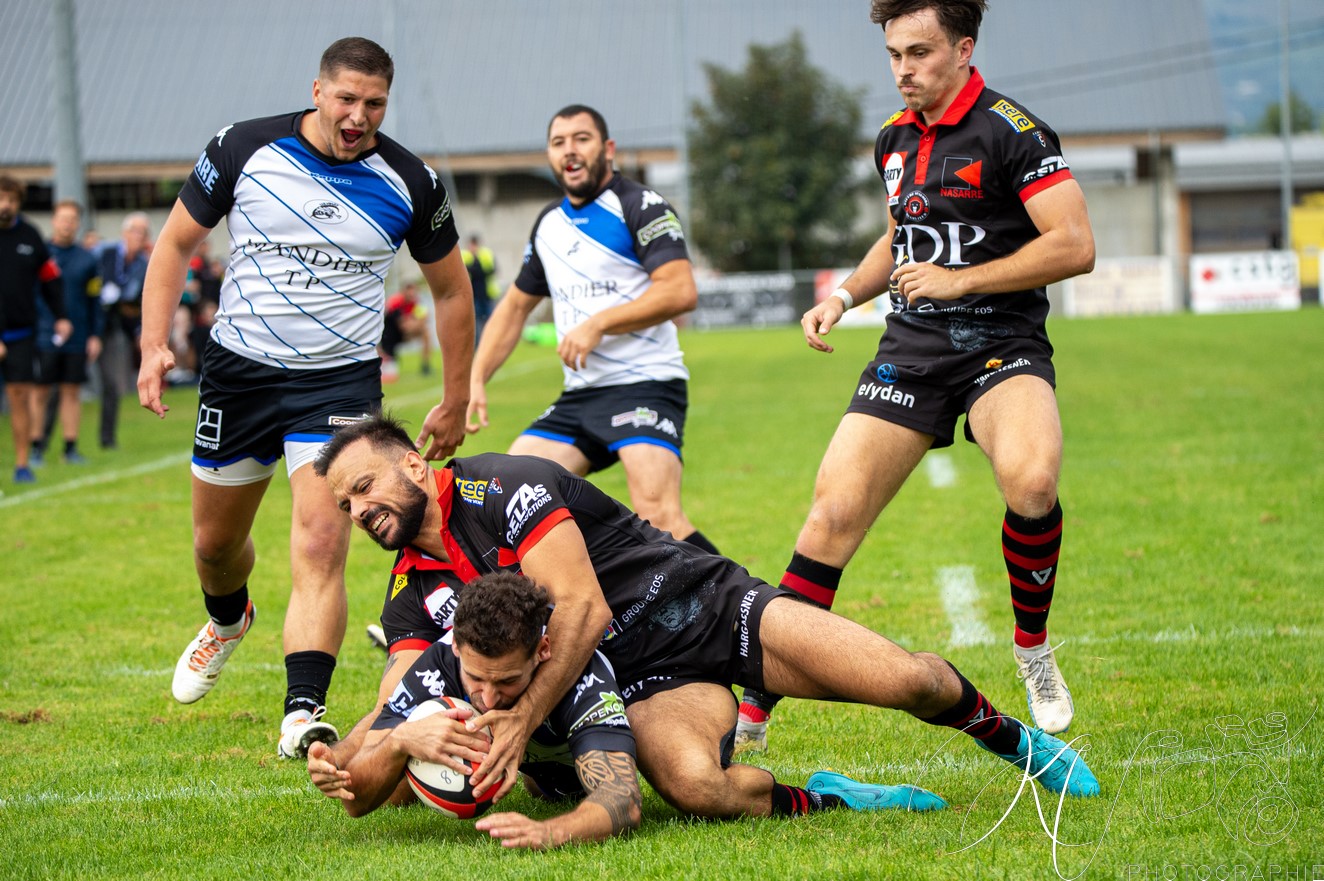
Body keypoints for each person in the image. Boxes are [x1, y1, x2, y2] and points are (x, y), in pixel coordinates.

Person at [313, 413, 1100, 821]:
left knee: (911, 680)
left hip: (711, 609)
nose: (357, 509)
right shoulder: (412, 588)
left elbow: (581, 608)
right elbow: (395, 699)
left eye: (365, 486)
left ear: (415, 465)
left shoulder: (503, 485)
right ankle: (834, 796)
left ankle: (1017, 743)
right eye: (345, 503)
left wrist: (519, 727)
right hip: (647, 679)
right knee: (695, 787)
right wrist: (343, 757)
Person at [735, 0, 1097, 752]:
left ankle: (1032, 648)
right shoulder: (894, 140)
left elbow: (1074, 243)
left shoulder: (1014, 133)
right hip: (915, 349)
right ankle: (753, 713)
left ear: (964, 49)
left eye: (921, 52)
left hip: (1004, 344)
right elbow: (900, 233)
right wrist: (840, 296)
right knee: (829, 517)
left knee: (1032, 481)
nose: (904, 70)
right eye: (895, 54)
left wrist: (964, 282)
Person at [136, 36, 475, 759]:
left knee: (323, 540)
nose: (358, 116)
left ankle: (302, 711)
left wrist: (453, 395)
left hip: (338, 382)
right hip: (239, 373)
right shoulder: (243, 148)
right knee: (215, 545)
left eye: (374, 104)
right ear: (318, 91)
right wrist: (152, 343)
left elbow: (451, 290)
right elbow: (172, 246)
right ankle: (228, 619)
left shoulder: (410, 180)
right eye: (346, 99)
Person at [308, 570, 943, 848]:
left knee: (695, 787)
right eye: (477, 678)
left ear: (544, 653)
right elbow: (358, 798)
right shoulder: (445, 664)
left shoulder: (579, 675)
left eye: (507, 683)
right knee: (395, 782)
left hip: (664, 682)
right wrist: (398, 743)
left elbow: (621, 804)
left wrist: (547, 832)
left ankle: (830, 796)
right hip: (543, 762)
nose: (487, 698)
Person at [466, 105, 718, 555]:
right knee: (507, 499)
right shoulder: (548, 224)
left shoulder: (640, 205)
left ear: (607, 149)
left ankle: (752, 614)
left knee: (657, 514)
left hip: (645, 384)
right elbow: (513, 307)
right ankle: (465, 625)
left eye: (581, 139)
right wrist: (477, 378)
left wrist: (598, 324)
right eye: (559, 142)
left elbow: (680, 290)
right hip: (580, 396)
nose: (570, 151)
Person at [0, 176, 72, 484]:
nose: (6, 206)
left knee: (20, 396)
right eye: (1, 199)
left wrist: (61, 316)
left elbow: (50, 279)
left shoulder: (30, 235)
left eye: (12, 200)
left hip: (21, 334)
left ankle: (22, 464)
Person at [31, 199, 102, 466]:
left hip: (78, 335)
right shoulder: (41, 255)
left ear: (78, 224)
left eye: (72, 219)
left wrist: (95, 334)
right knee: (41, 391)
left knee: (71, 391)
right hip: (44, 333)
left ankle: (70, 448)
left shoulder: (87, 259)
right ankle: (36, 446)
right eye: (63, 218)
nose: (67, 223)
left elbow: (95, 299)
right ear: (53, 220)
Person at [97, 212, 151, 450]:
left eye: (144, 233)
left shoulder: (142, 264)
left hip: (117, 327)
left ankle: (107, 439)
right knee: (62, 386)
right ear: (125, 233)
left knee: (112, 384)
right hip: (91, 323)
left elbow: (135, 300)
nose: (140, 237)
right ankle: (44, 443)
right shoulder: (104, 253)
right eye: (136, 231)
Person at [378, 281, 432, 378]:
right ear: (403, 292)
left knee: (425, 332)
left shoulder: (415, 302)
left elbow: (425, 317)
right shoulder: (396, 302)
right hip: (389, 335)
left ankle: (425, 364)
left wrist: (417, 322)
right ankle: (386, 359)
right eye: (409, 292)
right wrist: (416, 322)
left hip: (405, 332)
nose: (412, 294)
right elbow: (402, 324)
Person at [460, 234, 497, 340]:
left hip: (487, 294)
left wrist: (475, 270)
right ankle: (477, 345)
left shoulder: (486, 254)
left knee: (489, 319)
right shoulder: (465, 256)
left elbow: (492, 270)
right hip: (472, 294)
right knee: (474, 321)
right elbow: (464, 272)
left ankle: (490, 340)